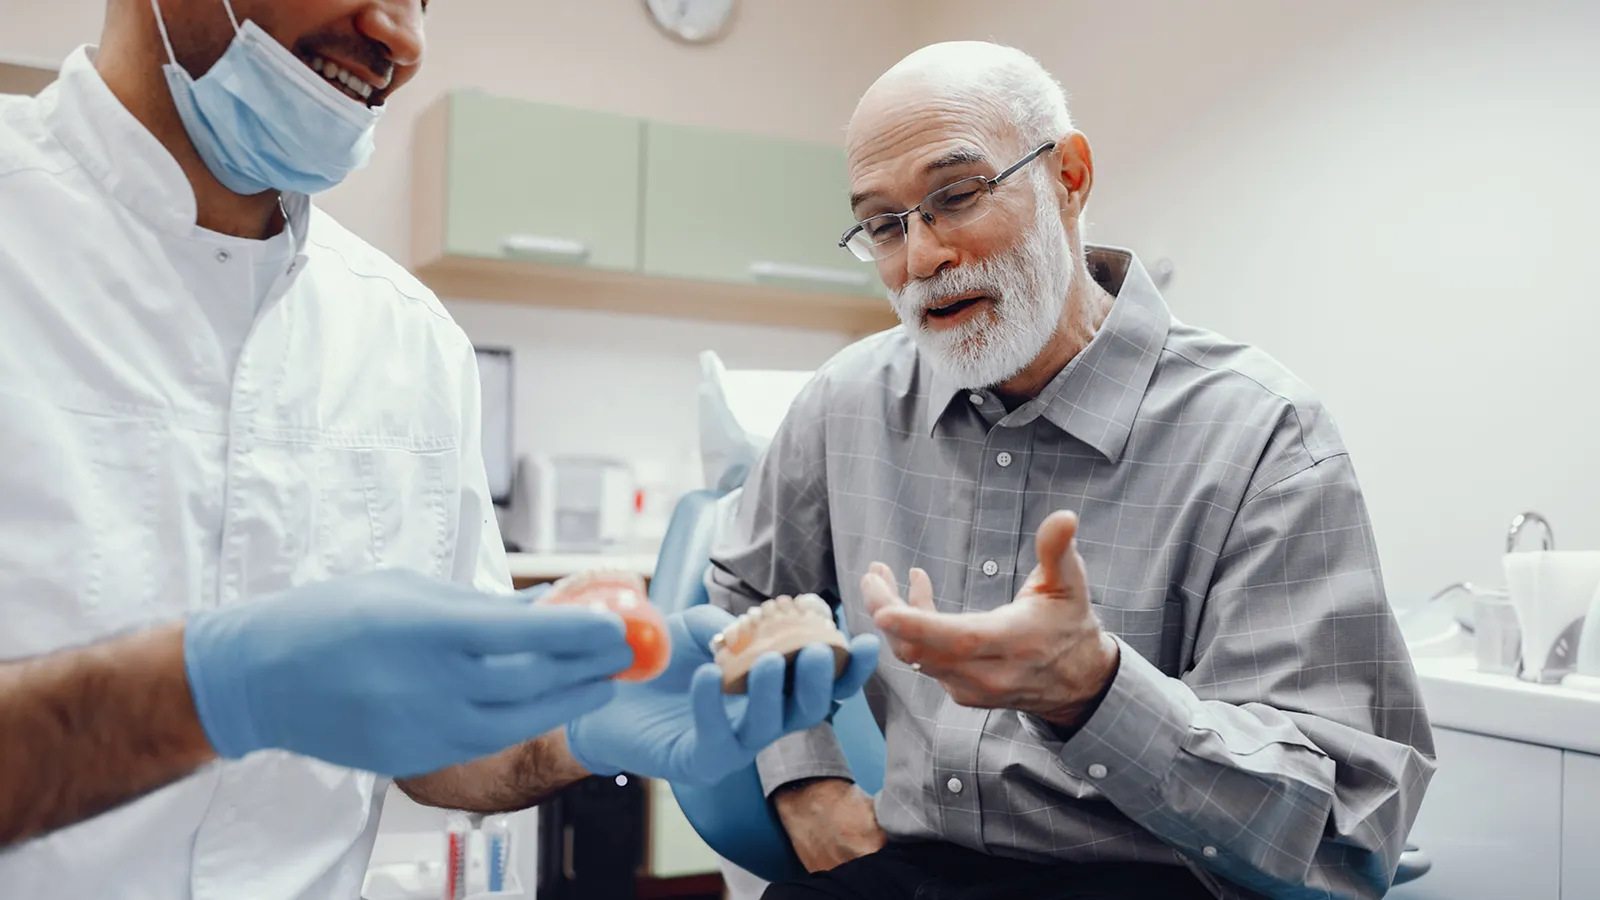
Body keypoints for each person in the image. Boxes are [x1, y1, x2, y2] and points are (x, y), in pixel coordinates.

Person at [0, 0, 879, 896]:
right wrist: (210, 692)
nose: (404, 37)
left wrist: (567, 722)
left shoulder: (406, 335)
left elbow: (441, 754)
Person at [708, 41, 1435, 900]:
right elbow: (743, 594)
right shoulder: (847, 400)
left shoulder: (1264, 437)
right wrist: (805, 779)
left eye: (956, 195)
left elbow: (1349, 835)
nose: (923, 258)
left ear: (1070, 177)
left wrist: (1096, 692)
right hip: (902, 871)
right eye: (884, 224)